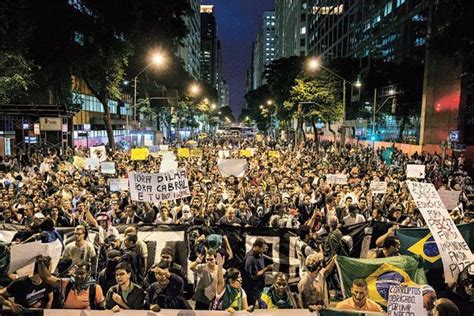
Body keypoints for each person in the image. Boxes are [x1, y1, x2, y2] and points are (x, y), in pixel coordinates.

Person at [36, 256, 105, 309]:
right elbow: (46, 278)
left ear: (88, 273)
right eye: (76, 273)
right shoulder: (67, 284)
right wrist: (40, 262)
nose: (78, 276)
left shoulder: (95, 288)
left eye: (81, 273)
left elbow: (102, 308)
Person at [242, 238, 273, 306]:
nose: (264, 251)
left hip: (258, 287)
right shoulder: (250, 258)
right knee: (251, 305)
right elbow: (253, 275)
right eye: (263, 248)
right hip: (251, 289)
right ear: (257, 247)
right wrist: (267, 268)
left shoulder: (260, 254)